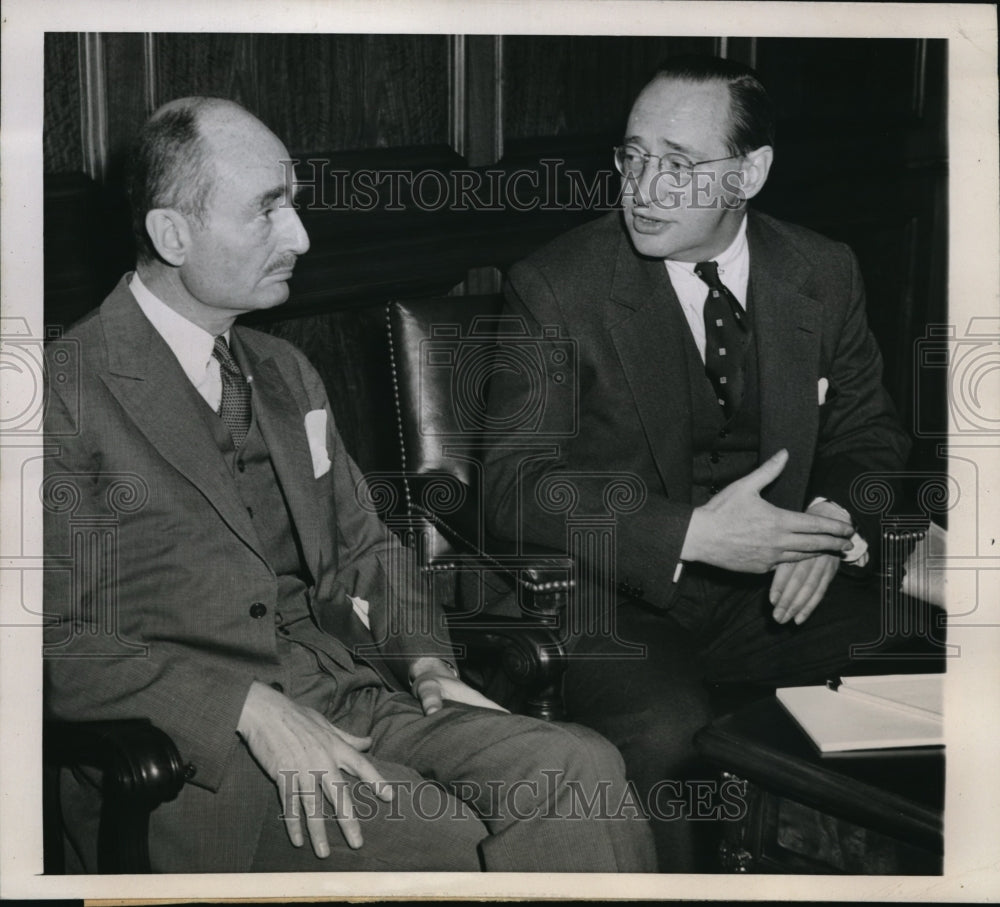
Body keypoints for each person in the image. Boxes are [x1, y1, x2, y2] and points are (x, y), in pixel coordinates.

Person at [43, 96, 656, 874]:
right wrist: (243, 706)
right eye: (267, 212)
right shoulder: (57, 395)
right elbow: (47, 643)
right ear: (173, 234)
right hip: (194, 770)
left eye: (293, 206)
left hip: (354, 697)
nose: (300, 236)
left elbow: (363, 546)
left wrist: (430, 664)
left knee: (581, 772)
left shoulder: (284, 372)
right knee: (472, 842)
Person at [482, 57, 931, 870]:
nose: (644, 187)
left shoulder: (823, 272)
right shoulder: (556, 287)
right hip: (615, 599)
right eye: (632, 156)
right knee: (668, 734)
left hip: (774, 594)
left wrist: (831, 525)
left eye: (680, 164)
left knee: (928, 672)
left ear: (749, 173)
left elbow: (869, 437)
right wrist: (689, 532)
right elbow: (512, 484)